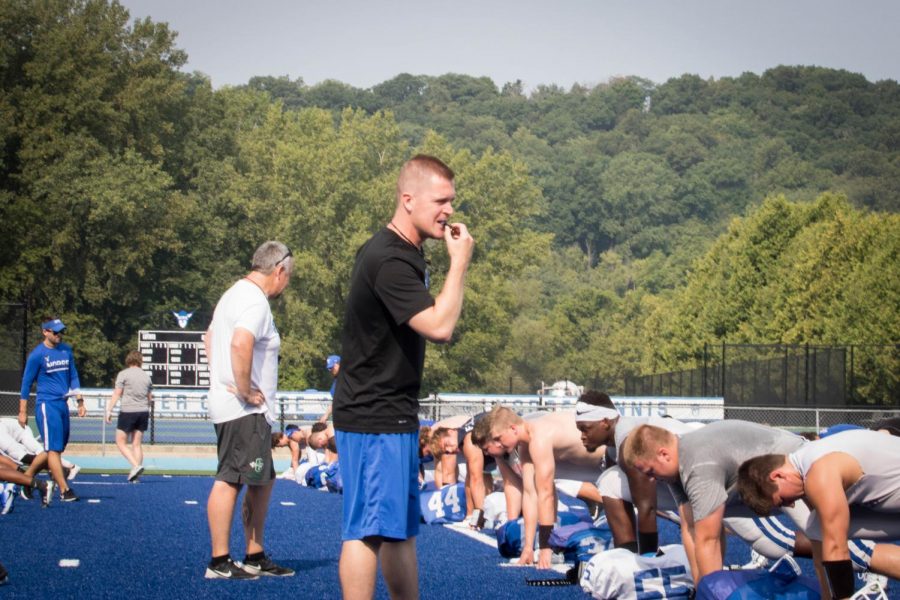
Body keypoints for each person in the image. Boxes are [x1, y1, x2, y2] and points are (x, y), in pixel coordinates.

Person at [332, 154, 473, 600]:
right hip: (376, 415)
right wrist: (459, 263)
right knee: (368, 531)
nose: (449, 210)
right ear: (408, 199)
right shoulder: (390, 259)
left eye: (452, 200)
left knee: (398, 530)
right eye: (441, 200)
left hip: (387, 413)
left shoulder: (399, 251)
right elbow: (440, 327)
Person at [621, 421, 893, 592]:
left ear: (664, 454)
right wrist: (701, 590)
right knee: (823, 541)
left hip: (790, 475)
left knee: (841, 547)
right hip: (766, 484)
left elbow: (708, 539)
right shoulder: (675, 468)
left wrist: (713, 592)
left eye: (649, 471)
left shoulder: (697, 462)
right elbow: (690, 529)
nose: (650, 480)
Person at [203, 240, 295, 580]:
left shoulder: (232, 294)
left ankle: (254, 554)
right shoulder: (255, 302)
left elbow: (208, 338)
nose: (286, 284)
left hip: (240, 408)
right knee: (231, 479)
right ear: (279, 270)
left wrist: (221, 377)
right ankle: (219, 561)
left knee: (261, 480)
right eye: (288, 277)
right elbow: (240, 342)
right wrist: (242, 389)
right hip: (243, 410)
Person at [737, 429, 900, 600]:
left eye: (783, 500)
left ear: (777, 476)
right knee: (816, 527)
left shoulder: (818, 474)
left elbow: (837, 548)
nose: (791, 504)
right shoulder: (807, 457)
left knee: (828, 537)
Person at [473, 406, 606, 569]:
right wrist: (528, 548)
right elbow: (530, 494)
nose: (497, 446)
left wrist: (545, 547)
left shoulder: (539, 436)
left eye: (498, 439)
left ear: (513, 429)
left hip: (614, 456)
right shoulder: (525, 445)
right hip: (594, 463)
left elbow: (546, 494)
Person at [574, 390, 700, 554]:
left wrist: (647, 560)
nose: (582, 436)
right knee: (610, 480)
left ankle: (643, 557)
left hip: (703, 473)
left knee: (736, 521)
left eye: (586, 429)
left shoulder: (629, 443)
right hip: (679, 481)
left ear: (604, 422)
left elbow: (647, 507)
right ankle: (628, 554)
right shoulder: (614, 448)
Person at [18, 317, 85, 502]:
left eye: (61, 331)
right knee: (54, 450)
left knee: (54, 449)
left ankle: (26, 479)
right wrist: (22, 411)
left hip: (62, 404)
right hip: (47, 405)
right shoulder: (37, 355)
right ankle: (64, 490)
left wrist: (80, 400)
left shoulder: (66, 350)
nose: (59, 335)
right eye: (55, 332)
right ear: (45, 332)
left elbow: (73, 376)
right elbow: (26, 384)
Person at [105, 350, 153, 482]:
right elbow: (150, 398)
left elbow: (117, 393)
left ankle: (136, 466)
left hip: (128, 411)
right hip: (143, 411)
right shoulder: (146, 376)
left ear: (128, 360)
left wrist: (109, 410)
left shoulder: (123, 374)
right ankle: (136, 475)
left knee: (120, 441)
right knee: (136, 444)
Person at [318, 354, 340, 423]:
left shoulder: (346, 378)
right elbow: (335, 401)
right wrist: (326, 415)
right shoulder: (336, 380)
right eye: (328, 368)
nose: (330, 370)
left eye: (331, 368)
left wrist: (326, 415)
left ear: (338, 364)